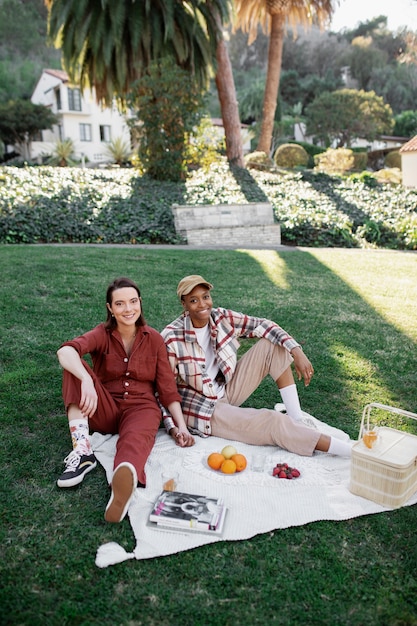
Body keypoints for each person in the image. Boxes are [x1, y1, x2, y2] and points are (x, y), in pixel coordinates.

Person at [161, 275, 353, 458]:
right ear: (184, 304)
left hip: (225, 390)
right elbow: (163, 390)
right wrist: (175, 427)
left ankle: (297, 419)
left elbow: (264, 325)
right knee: (272, 421)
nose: (203, 304)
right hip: (202, 409)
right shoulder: (171, 337)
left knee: (272, 344)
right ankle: (351, 452)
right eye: (194, 300)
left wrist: (296, 350)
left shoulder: (220, 318)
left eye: (206, 297)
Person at [56, 277, 194, 523]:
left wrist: (182, 427)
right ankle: (82, 452)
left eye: (133, 301)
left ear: (140, 302)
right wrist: (87, 380)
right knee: (73, 367)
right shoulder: (102, 333)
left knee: (134, 440)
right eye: (120, 304)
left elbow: (167, 389)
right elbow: (65, 351)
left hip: (141, 408)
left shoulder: (154, 339)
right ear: (110, 308)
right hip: (103, 406)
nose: (128, 309)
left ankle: (124, 478)